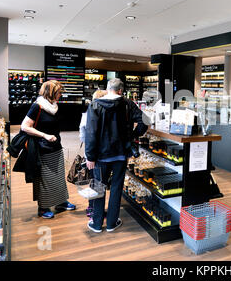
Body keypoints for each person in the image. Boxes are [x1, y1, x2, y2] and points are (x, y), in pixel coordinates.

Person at [85, 78, 148, 233]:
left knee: (98, 188)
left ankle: (97, 223)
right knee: (116, 188)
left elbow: (91, 133)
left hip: (100, 156)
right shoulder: (127, 104)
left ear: (107, 89)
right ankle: (112, 223)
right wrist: (132, 136)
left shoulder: (95, 105)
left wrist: (90, 156)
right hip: (120, 155)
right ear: (121, 90)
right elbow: (145, 121)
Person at [21, 80, 76, 219]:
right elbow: (25, 126)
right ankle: (43, 208)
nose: (60, 95)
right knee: (45, 179)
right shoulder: (37, 106)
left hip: (56, 146)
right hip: (42, 148)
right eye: (58, 92)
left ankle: (61, 202)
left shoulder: (54, 106)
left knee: (58, 177)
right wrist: (45, 135)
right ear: (49, 93)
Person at [78, 89, 107, 218]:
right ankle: (93, 209)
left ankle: (92, 208)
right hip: (95, 154)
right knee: (96, 182)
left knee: (95, 180)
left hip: (90, 152)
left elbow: (82, 136)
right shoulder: (97, 114)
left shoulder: (88, 113)